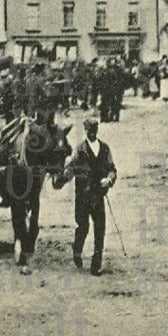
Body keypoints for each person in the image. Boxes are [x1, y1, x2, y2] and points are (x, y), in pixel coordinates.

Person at [65, 117, 117, 276]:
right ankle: (77, 250)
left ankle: (96, 264)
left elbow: (112, 169)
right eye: (89, 130)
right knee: (83, 227)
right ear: (86, 131)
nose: (92, 133)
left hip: (98, 196)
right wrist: (64, 174)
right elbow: (70, 169)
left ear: (97, 130)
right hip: (82, 196)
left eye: (94, 130)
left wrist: (109, 180)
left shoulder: (105, 149)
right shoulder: (79, 150)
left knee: (100, 229)